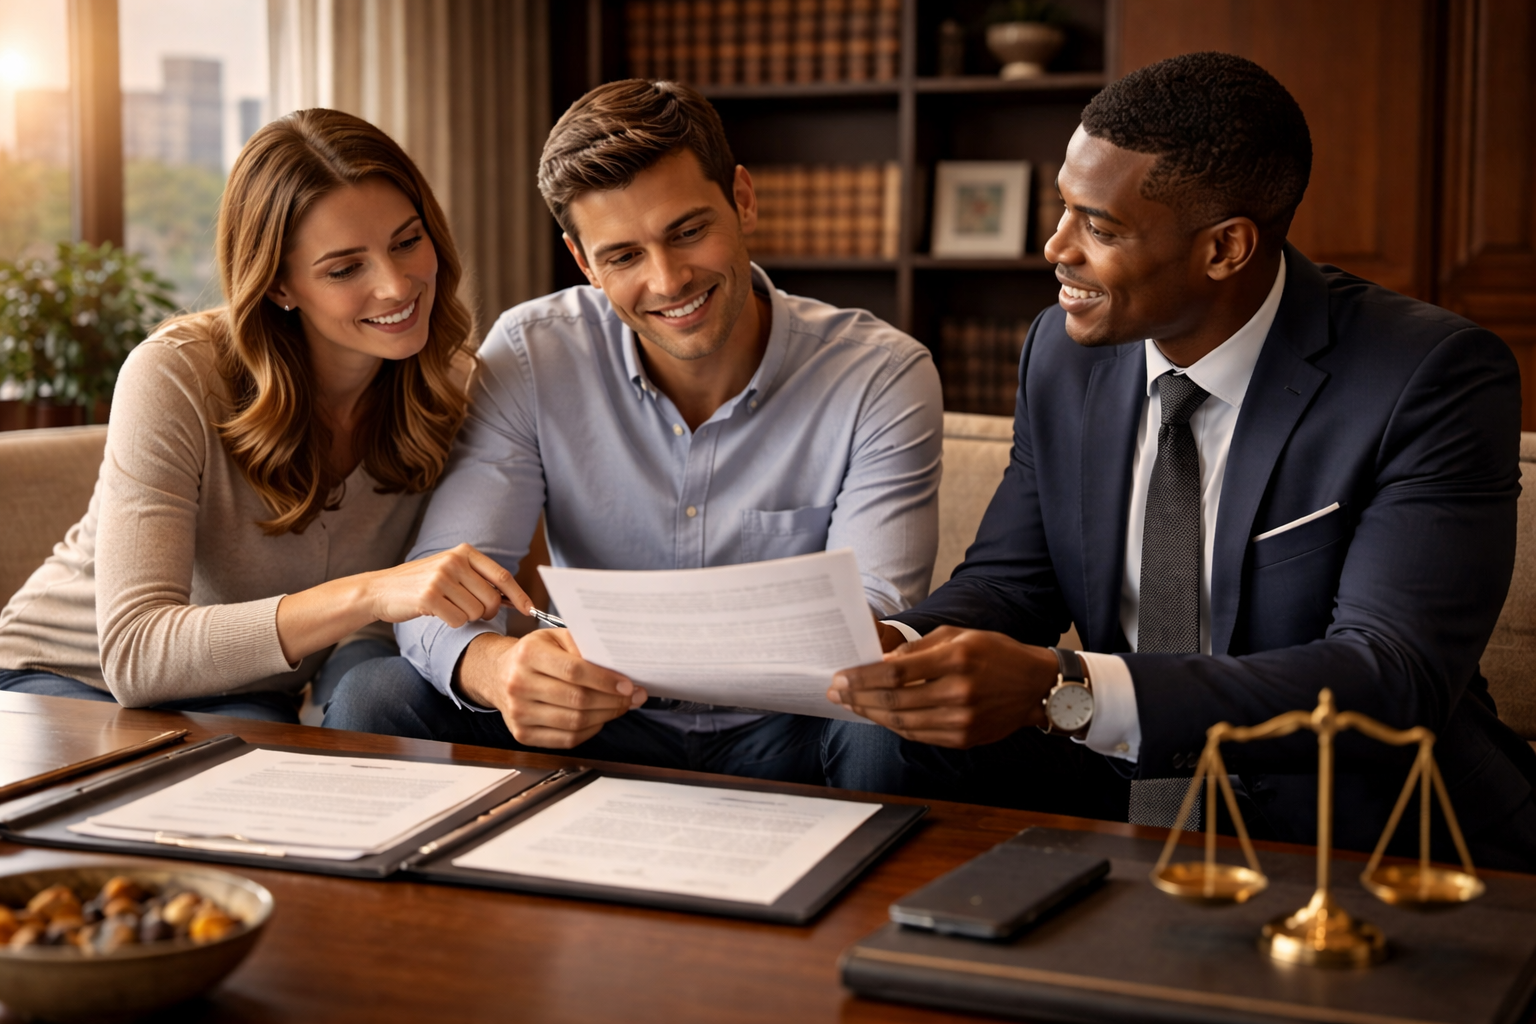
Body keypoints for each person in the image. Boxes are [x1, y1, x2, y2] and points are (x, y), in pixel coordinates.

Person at [829, 51, 1536, 870]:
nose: (1056, 248)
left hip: (1355, 815)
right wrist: (900, 641)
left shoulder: (1430, 376)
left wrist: (1068, 688)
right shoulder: (1062, 354)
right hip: (1123, 783)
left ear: (1225, 248)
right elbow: (1011, 584)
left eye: (1100, 226)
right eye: (1063, 210)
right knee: (884, 746)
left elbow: (1389, 675)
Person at [325, 78, 980, 790]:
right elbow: (443, 587)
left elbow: (877, 615)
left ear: (744, 199)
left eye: (688, 230)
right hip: (598, 719)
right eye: (624, 257)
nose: (668, 281)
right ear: (583, 261)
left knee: (896, 729)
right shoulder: (533, 353)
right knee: (375, 696)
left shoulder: (882, 373)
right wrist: (501, 669)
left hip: (793, 725)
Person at [0, 108, 531, 722]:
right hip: (58, 684)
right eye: (345, 268)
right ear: (279, 286)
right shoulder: (176, 373)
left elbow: (401, 618)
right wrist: (369, 594)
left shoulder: (454, 387)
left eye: (407, 241)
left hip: (249, 695)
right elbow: (135, 654)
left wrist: (357, 683)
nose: (396, 285)